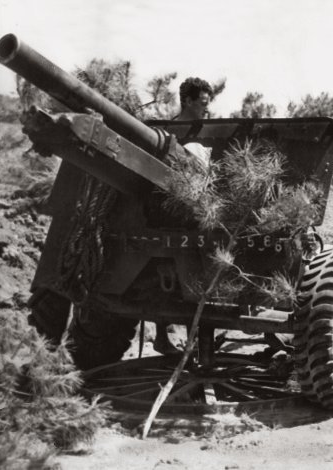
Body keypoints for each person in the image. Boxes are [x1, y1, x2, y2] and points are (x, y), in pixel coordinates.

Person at [153, 77, 214, 355]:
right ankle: (168, 339)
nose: (207, 108)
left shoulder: (211, 131)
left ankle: (195, 343)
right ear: (187, 101)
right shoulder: (167, 131)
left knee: (195, 282)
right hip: (168, 212)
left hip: (200, 211)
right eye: (202, 103)